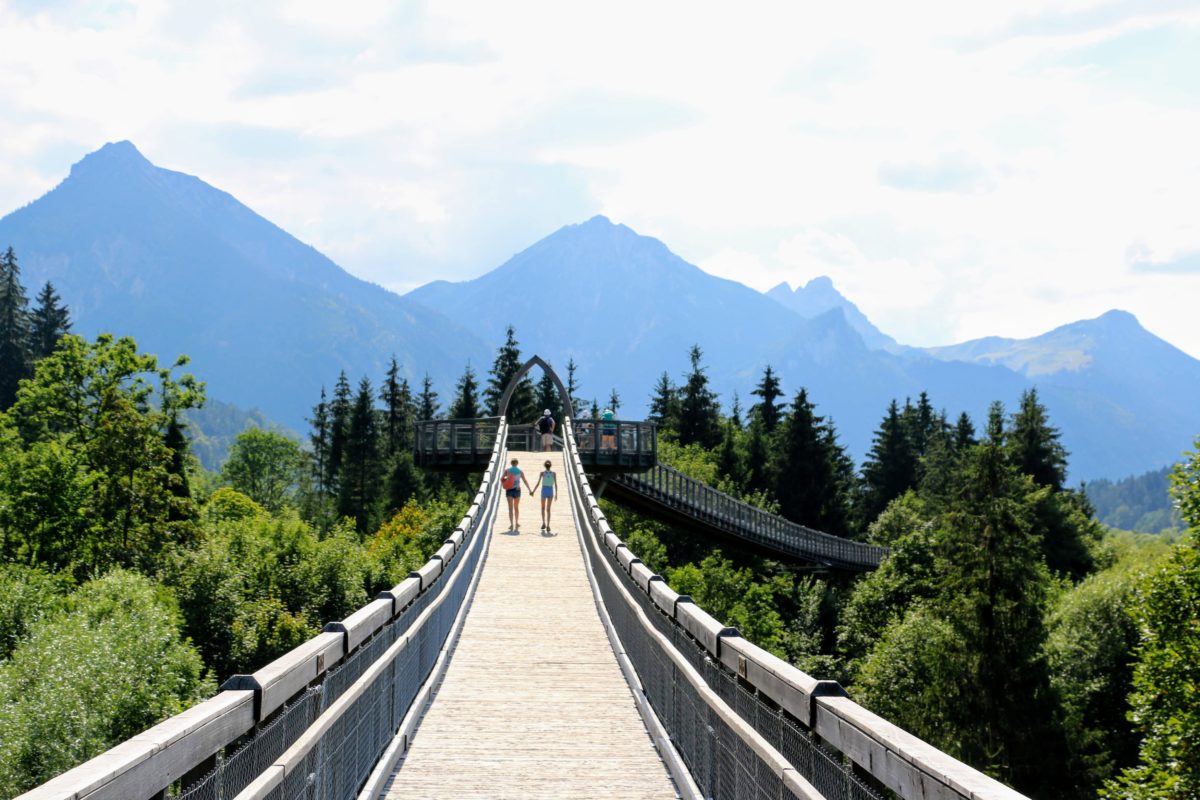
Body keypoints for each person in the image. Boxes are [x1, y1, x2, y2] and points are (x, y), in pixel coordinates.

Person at [502, 457, 533, 530]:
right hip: (517, 490)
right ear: (517, 463)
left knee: (510, 508)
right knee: (516, 507)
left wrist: (506, 482)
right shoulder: (520, 471)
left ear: (511, 463)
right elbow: (525, 481)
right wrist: (529, 490)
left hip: (509, 490)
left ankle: (511, 524)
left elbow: (502, 479)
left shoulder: (507, 470)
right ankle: (516, 523)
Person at [532, 459, 557, 532]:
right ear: (550, 466)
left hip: (544, 491)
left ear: (544, 466)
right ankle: (548, 525)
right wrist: (556, 494)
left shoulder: (542, 473)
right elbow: (555, 484)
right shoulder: (554, 473)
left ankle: (543, 523)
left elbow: (538, 483)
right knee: (548, 509)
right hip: (550, 491)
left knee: (543, 508)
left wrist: (533, 491)